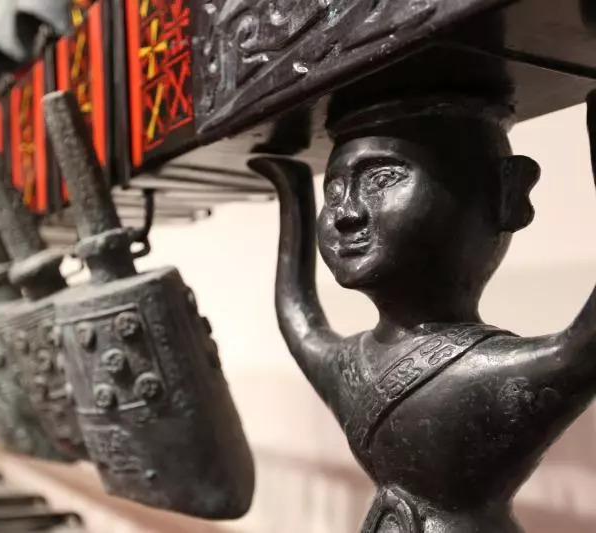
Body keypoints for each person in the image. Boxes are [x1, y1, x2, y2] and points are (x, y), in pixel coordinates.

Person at [249, 92, 596, 533]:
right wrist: (293, 197)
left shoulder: (492, 372)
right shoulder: (351, 364)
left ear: (506, 195)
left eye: (382, 179)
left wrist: (294, 194)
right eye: (333, 191)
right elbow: (296, 312)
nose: (346, 213)